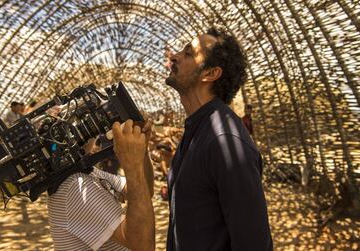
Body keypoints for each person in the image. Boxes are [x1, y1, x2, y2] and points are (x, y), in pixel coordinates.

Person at [165, 27, 272, 250]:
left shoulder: (225, 142)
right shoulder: (196, 129)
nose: (173, 56)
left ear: (210, 74)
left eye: (188, 53)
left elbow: (254, 244)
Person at [48, 119, 155, 251]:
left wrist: (143, 151)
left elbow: (146, 190)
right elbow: (143, 244)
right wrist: (132, 165)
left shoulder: (88, 174)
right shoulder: (74, 186)